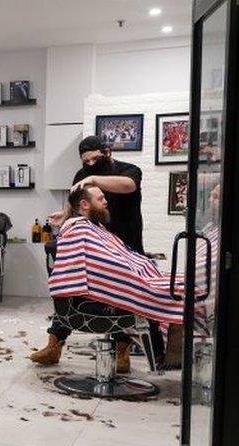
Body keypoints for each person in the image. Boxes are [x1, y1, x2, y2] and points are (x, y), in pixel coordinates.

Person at [32, 136, 174, 370]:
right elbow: (78, 201)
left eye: (94, 159)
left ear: (107, 152)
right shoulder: (83, 175)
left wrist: (93, 178)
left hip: (124, 246)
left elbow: (129, 185)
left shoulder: (128, 170)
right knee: (74, 288)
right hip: (97, 247)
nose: (89, 165)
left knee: (125, 293)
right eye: (85, 162)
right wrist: (64, 213)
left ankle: (123, 353)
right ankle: (54, 345)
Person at [48, 183, 184, 329]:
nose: (106, 201)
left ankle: (169, 348)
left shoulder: (93, 226)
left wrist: (140, 266)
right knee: (179, 292)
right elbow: (107, 263)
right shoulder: (80, 230)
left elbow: (114, 258)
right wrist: (137, 274)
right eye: (100, 199)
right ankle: (173, 350)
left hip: (138, 277)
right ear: (84, 204)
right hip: (107, 292)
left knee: (180, 285)